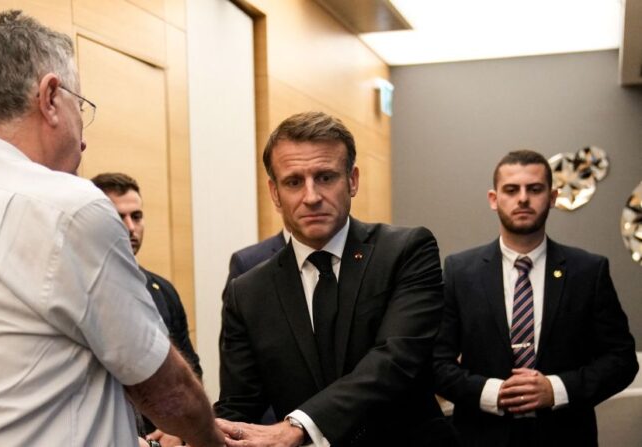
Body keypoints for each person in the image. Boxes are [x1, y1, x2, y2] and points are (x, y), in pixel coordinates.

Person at [0, 10, 223, 447]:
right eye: (80, 107)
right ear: (50, 97)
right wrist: (210, 440)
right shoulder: (67, 207)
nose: (84, 139)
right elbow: (169, 394)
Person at [214, 111, 456, 446]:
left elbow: (395, 360)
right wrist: (191, 427)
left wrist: (300, 426)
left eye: (326, 177)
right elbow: (239, 405)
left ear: (352, 180)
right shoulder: (248, 291)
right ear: (274, 192)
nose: (311, 196)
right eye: (294, 182)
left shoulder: (406, 251)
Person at [433, 150, 638, 447]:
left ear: (553, 197)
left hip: (566, 437)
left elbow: (621, 361)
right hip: (480, 436)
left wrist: (556, 389)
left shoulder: (589, 271)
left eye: (535, 189)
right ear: (494, 199)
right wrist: (493, 393)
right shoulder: (459, 271)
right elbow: (435, 363)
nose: (523, 199)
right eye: (512, 189)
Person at [92, 172, 202, 447]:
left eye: (137, 216)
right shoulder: (79, 290)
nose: (131, 227)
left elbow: (190, 368)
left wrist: (180, 429)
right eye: (119, 217)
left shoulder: (162, 290)